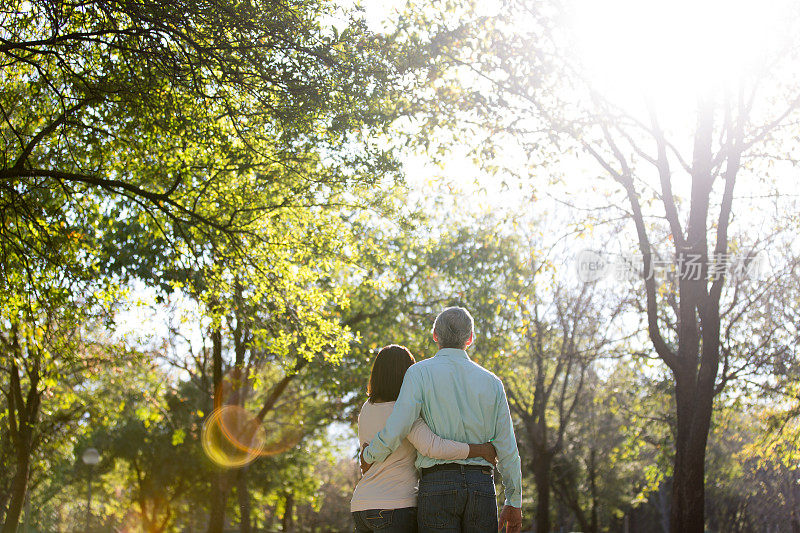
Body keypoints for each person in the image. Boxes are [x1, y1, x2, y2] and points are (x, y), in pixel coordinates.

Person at [361, 307, 523, 533]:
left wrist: (370, 455)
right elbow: (508, 448)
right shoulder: (492, 383)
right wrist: (514, 501)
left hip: (437, 485)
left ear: (435, 335)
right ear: (470, 338)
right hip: (481, 486)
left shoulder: (418, 373)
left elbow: (399, 424)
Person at [352, 344, 498, 533]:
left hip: (361, 506)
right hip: (396, 506)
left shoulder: (367, 408)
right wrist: (480, 449)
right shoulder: (404, 412)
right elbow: (433, 447)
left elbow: (365, 456)